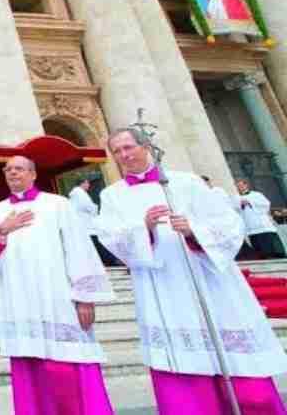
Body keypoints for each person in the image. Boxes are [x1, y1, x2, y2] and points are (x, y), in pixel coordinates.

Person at [97, 128, 287, 414]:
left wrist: (194, 231)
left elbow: (229, 225)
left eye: (128, 147)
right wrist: (143, 228)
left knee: (247, 386)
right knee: (183, 380)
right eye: (118, 151)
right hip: (161, 287)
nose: (124, 155)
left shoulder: (187, 182)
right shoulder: (112, 195)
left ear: (146, 146)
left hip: (208, 284)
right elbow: (110, 238)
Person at [0, 156, 116, 415]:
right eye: (8, 170)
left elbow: (79, 249)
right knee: (30, 363)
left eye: (19, 169)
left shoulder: (58, 204)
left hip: (59, 297)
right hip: (19, 299)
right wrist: (1, 232)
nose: (13, 173)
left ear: (32, 174)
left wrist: (85, 297)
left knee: (70, 363)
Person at [69, 177, 121, 266]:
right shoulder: (79, 193)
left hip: (83, 223)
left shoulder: (74, 194)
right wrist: (95, 207)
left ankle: (106, 260)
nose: (88, 185)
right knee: (98, 242)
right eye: (87, 183)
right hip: (87, 223)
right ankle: (110, 260)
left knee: (94, 244)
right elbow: (87, 206)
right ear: (83, 183)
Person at [235, 178, 287, 259]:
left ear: (246, 185)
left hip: (261, 222)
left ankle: (277, 254)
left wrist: (250, 202)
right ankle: (264, 256)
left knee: (268, 238)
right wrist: (240, 205)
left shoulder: (257, 194)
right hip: (249, 223)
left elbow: (266, 204)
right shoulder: (236, 198)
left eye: (241, 185)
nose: (240, 187)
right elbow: (235, 210)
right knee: (256, 240)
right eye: (238, 186)